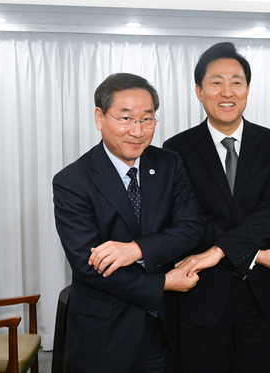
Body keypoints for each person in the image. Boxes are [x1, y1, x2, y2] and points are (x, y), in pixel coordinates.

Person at [53, 73, 203, 373]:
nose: (137, 131)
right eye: (126, 118)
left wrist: (136, 249)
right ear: (99, 117)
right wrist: (162, 282)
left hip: (162, 325)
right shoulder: (72, 180)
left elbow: (190, 228)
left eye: (147, 119)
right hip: (103, 332)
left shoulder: (169, 164)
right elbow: (89, 265)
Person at [163, 42, 270, 373]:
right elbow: (189, 218)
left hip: (262, 295)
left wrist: (218, 250)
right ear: (199, 91)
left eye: (237, 81)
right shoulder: (175, 149)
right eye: (216, 82)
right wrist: (248, 254)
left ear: (248, 89)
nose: (228, 91)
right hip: (202, 294)